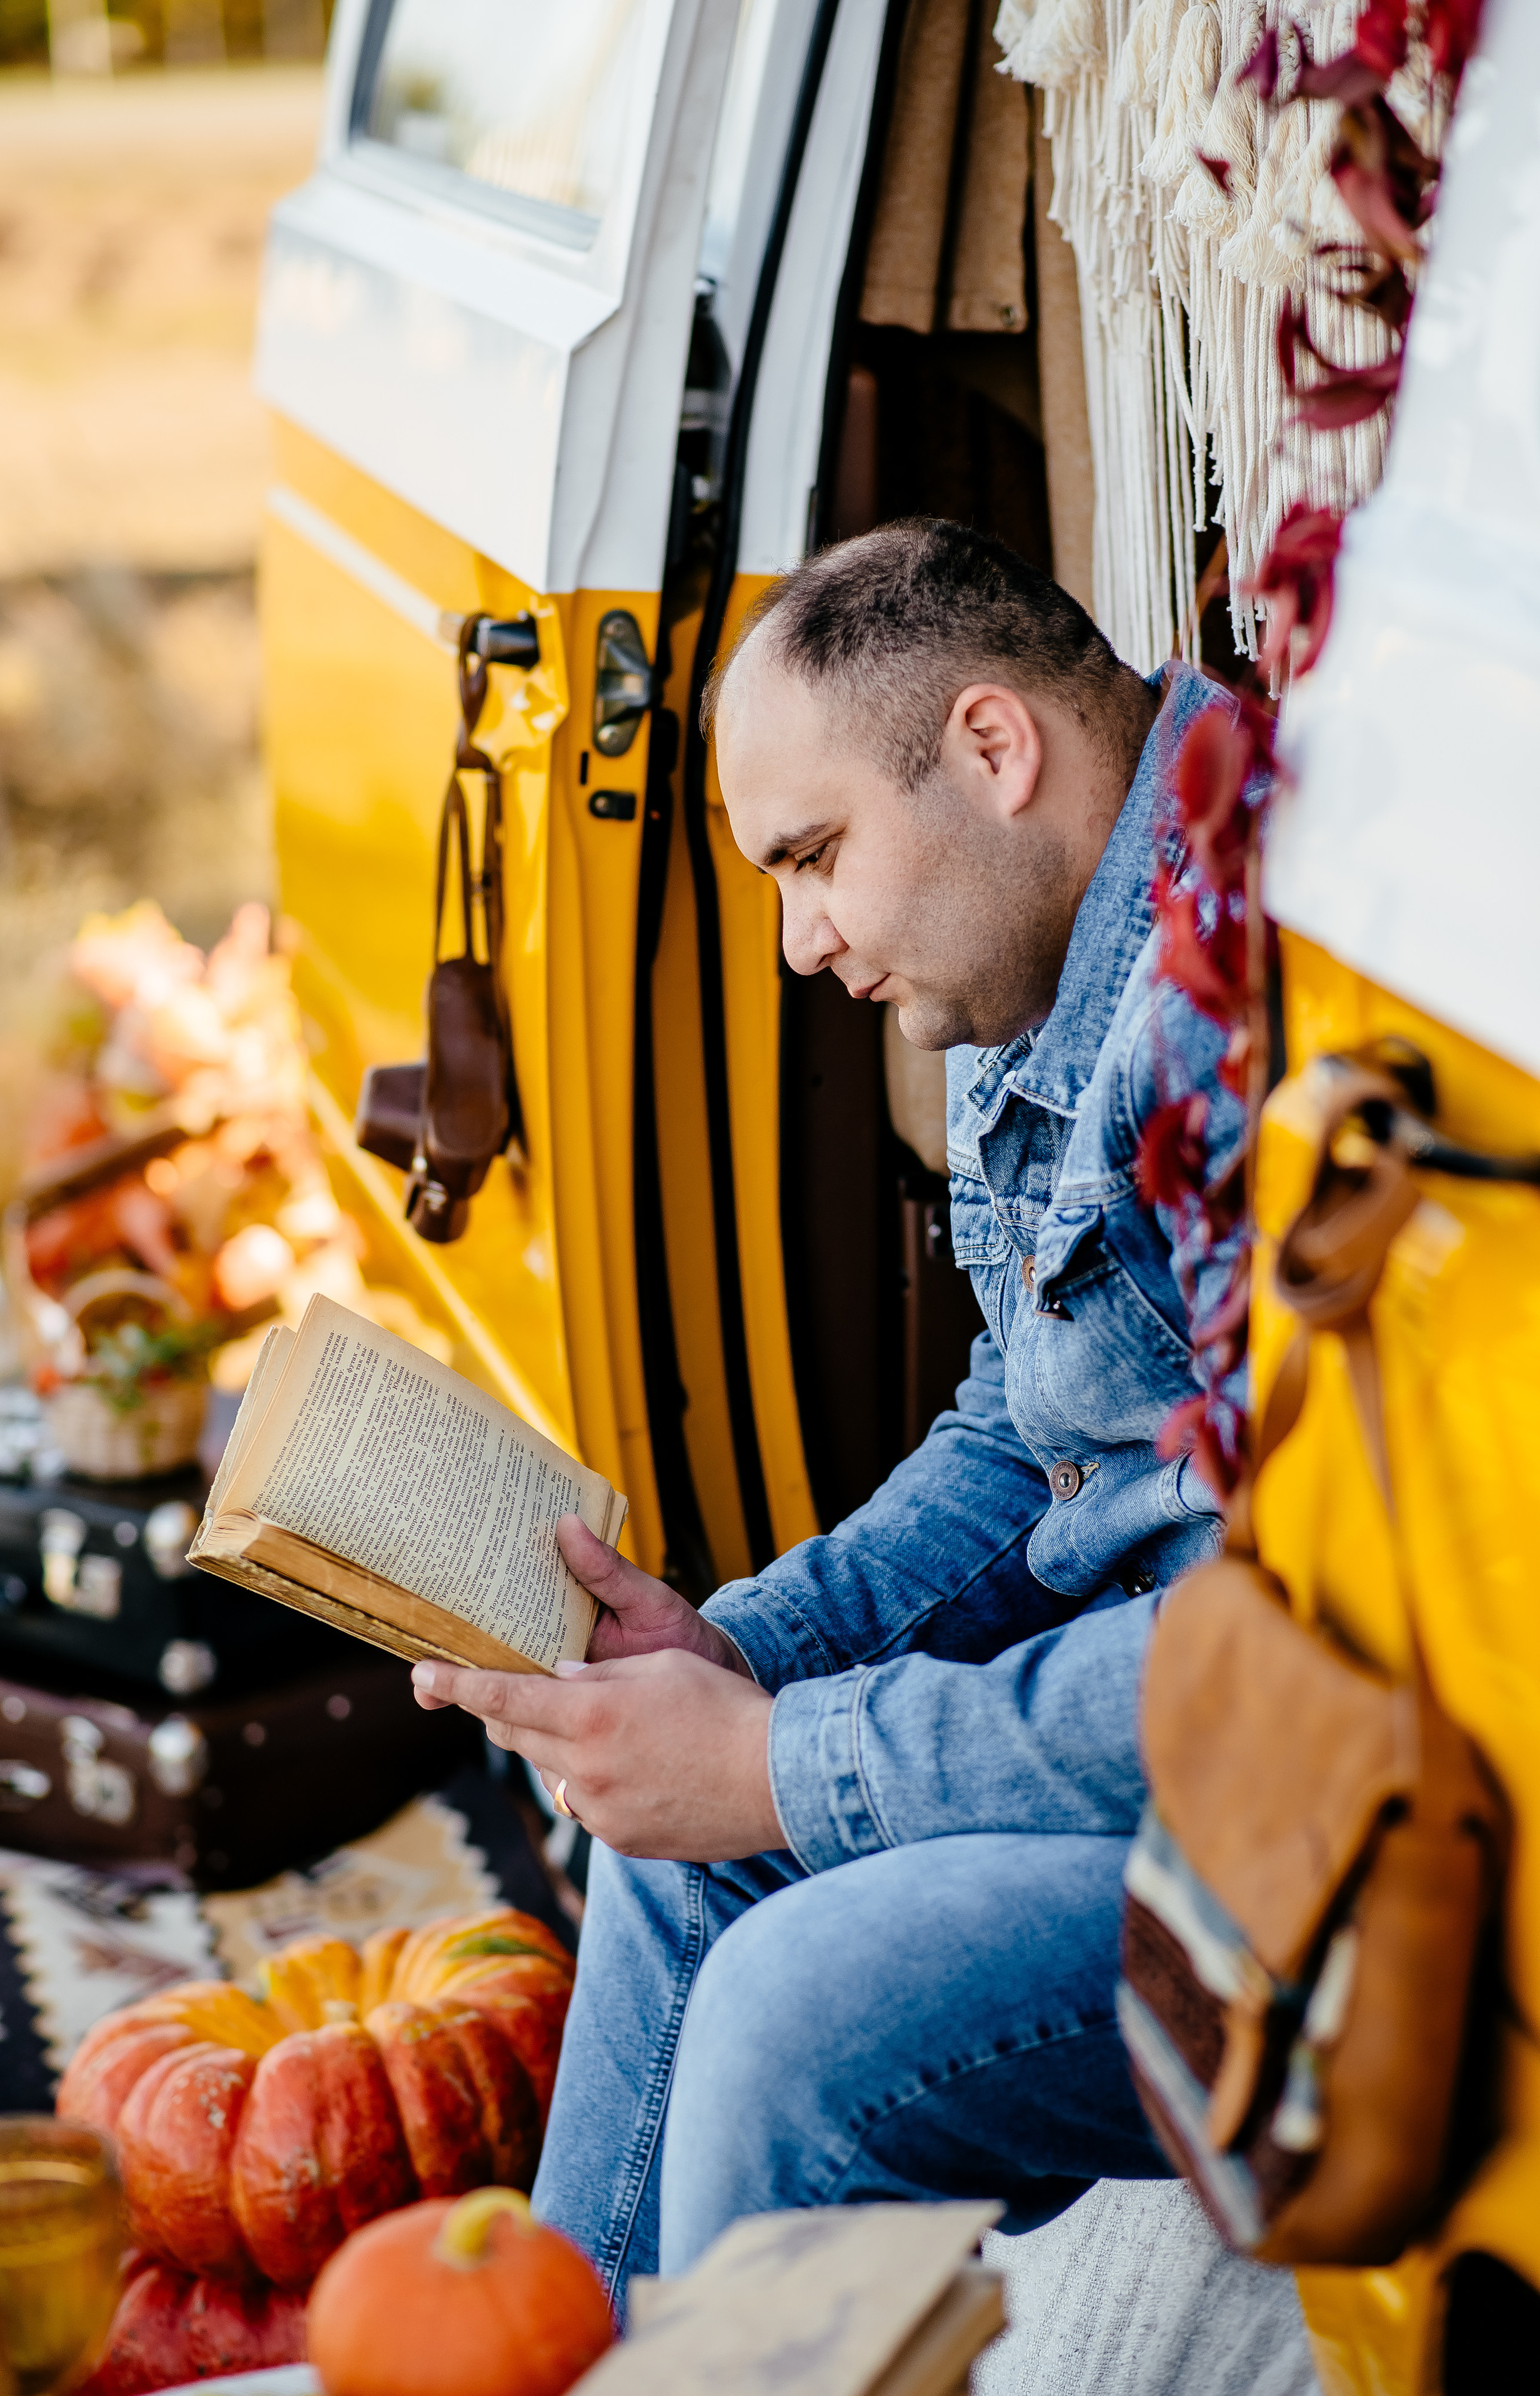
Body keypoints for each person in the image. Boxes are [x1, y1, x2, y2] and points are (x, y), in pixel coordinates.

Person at [411, 520, 1247, 2311]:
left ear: (992, 749)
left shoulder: (1249, 1004)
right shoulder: (1046, 957)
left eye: (814, 860)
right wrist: (739, 1652)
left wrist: (786, 1758)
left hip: (1323, 1823)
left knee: (798, 2012)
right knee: (667, 1870)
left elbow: (1276, 1668)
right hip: (1165, 1732)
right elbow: (1027, 1430)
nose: (800, 945)